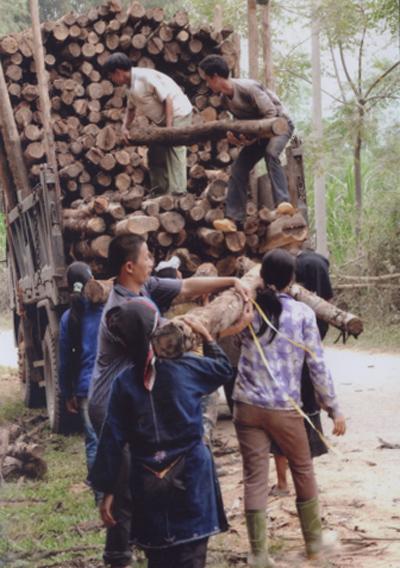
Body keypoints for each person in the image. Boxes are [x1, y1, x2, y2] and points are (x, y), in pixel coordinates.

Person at [87, 233, 250, 568]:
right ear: (129, 266)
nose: (152, 261)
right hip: (122, 399)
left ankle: (147, 541)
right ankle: (118, 555)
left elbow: (188, 287)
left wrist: (234, 278)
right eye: (148, 256)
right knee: (134, 480)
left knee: (147, 476)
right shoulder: (123, 312)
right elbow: (192, 359)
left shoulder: (144, 291)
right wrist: (216, 334)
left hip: (144, 390)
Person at [225, 248, 346, 566]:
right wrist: (333, 407)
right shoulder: (304, 313)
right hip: (283, 408)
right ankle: (315, 546)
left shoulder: (250, 309)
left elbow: (237, 344)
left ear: (261, 277)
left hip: (246, 406)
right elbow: (317, 366)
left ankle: (259, 554)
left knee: (254, 477)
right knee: (303, 469)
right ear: (293, 279)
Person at [199, 54, 295, 233]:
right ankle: (233, 219)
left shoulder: (248, 88)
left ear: (215, 76)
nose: (207, 84)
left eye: (207, 79)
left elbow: (271, 114)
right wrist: (240, 137)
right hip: (260, 132)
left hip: (280, 125)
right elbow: (244, 123)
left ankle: (283, 203)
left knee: (271, 153)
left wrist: (255, 137)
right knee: (238, 168)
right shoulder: (224, 99)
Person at [269, 249, 335, 495]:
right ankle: (306, 483)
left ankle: (283, 483)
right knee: (307, 419)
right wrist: (332, 405)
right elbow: (326, 306)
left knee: (282, 423)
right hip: (304, 366)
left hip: (281, 375)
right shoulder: (318, 264)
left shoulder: (275, 300)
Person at [103, 52, 193, 198]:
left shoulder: (145, 78)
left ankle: (178, 194)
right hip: (164, 119)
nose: (112, 79)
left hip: (179, 112)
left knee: (174, 147)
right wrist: (124, 127)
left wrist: (169, 130)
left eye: (111, 76)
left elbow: (168, 100)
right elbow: (131, 109)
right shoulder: (128, 86)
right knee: (155, 152)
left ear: (118, 72)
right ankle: (159, 193)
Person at [58, 262, 104, 506]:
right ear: (94, 280)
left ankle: (100, 497)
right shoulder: (109, 309)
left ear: (68, 286)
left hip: (86, 389)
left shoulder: (68, 317)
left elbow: (65, 360)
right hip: (112, 385)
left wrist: (68, 392)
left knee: (93, 442)